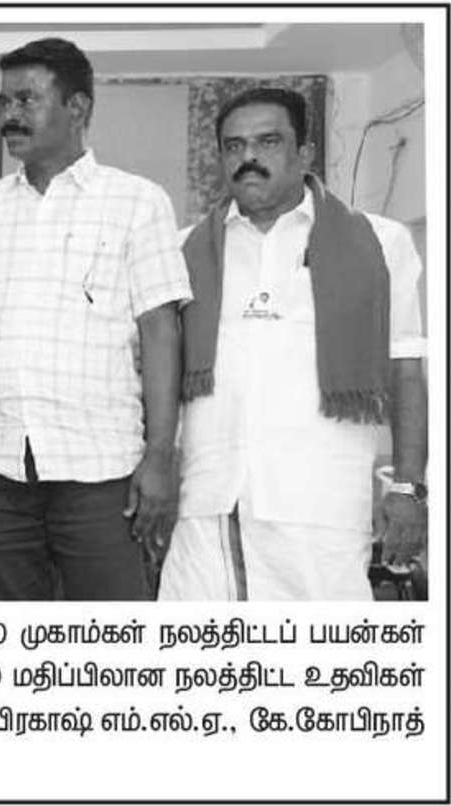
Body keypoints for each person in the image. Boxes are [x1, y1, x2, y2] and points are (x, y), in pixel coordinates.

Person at [0, 37, 189, 600]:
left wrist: (161, 453)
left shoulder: (137, 202)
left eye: (27, 100)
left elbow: (161, 331)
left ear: (78, 108)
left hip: (101, 466)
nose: (10, 115)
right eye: (5, 101)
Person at [158, 88, 428, 600]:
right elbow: (161, 375)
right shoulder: (183, 249)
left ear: (305, 154)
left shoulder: (379, 242)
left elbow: (405, 371)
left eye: (268, 141)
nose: (249, 157)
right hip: (211, 501)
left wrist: (408, 487)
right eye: (234, 146)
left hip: (322, 506)